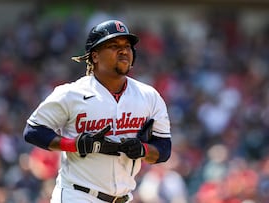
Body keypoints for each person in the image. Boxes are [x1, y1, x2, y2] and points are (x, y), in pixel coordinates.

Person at [23, 19, 172, 203]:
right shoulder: (71, 93)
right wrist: (73, 144)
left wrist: (143, 149)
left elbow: (164, 148)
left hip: (123, 198)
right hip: (77, 195)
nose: (124, 50)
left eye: (127, 45)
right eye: (114, 45)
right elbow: (33, 131)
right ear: (95, 56)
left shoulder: (149, 96)